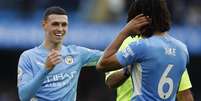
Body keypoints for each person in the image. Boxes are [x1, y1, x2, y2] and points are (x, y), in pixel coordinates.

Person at [97, 0, 192, 100]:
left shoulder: (138, 45)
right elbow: (185, 94)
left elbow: (102, 64)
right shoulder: (182, 50)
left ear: (141, 19)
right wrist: (128, 70)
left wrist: (124, 32)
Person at [17, 7, 102, 101]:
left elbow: (109, 56)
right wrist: (46, 69)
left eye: (64, 25)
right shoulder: (28, 57)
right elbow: (24, 96)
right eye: (55, 24)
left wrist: (122, 35)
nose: (60, 29)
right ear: (44, 25)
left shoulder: (77, 53)